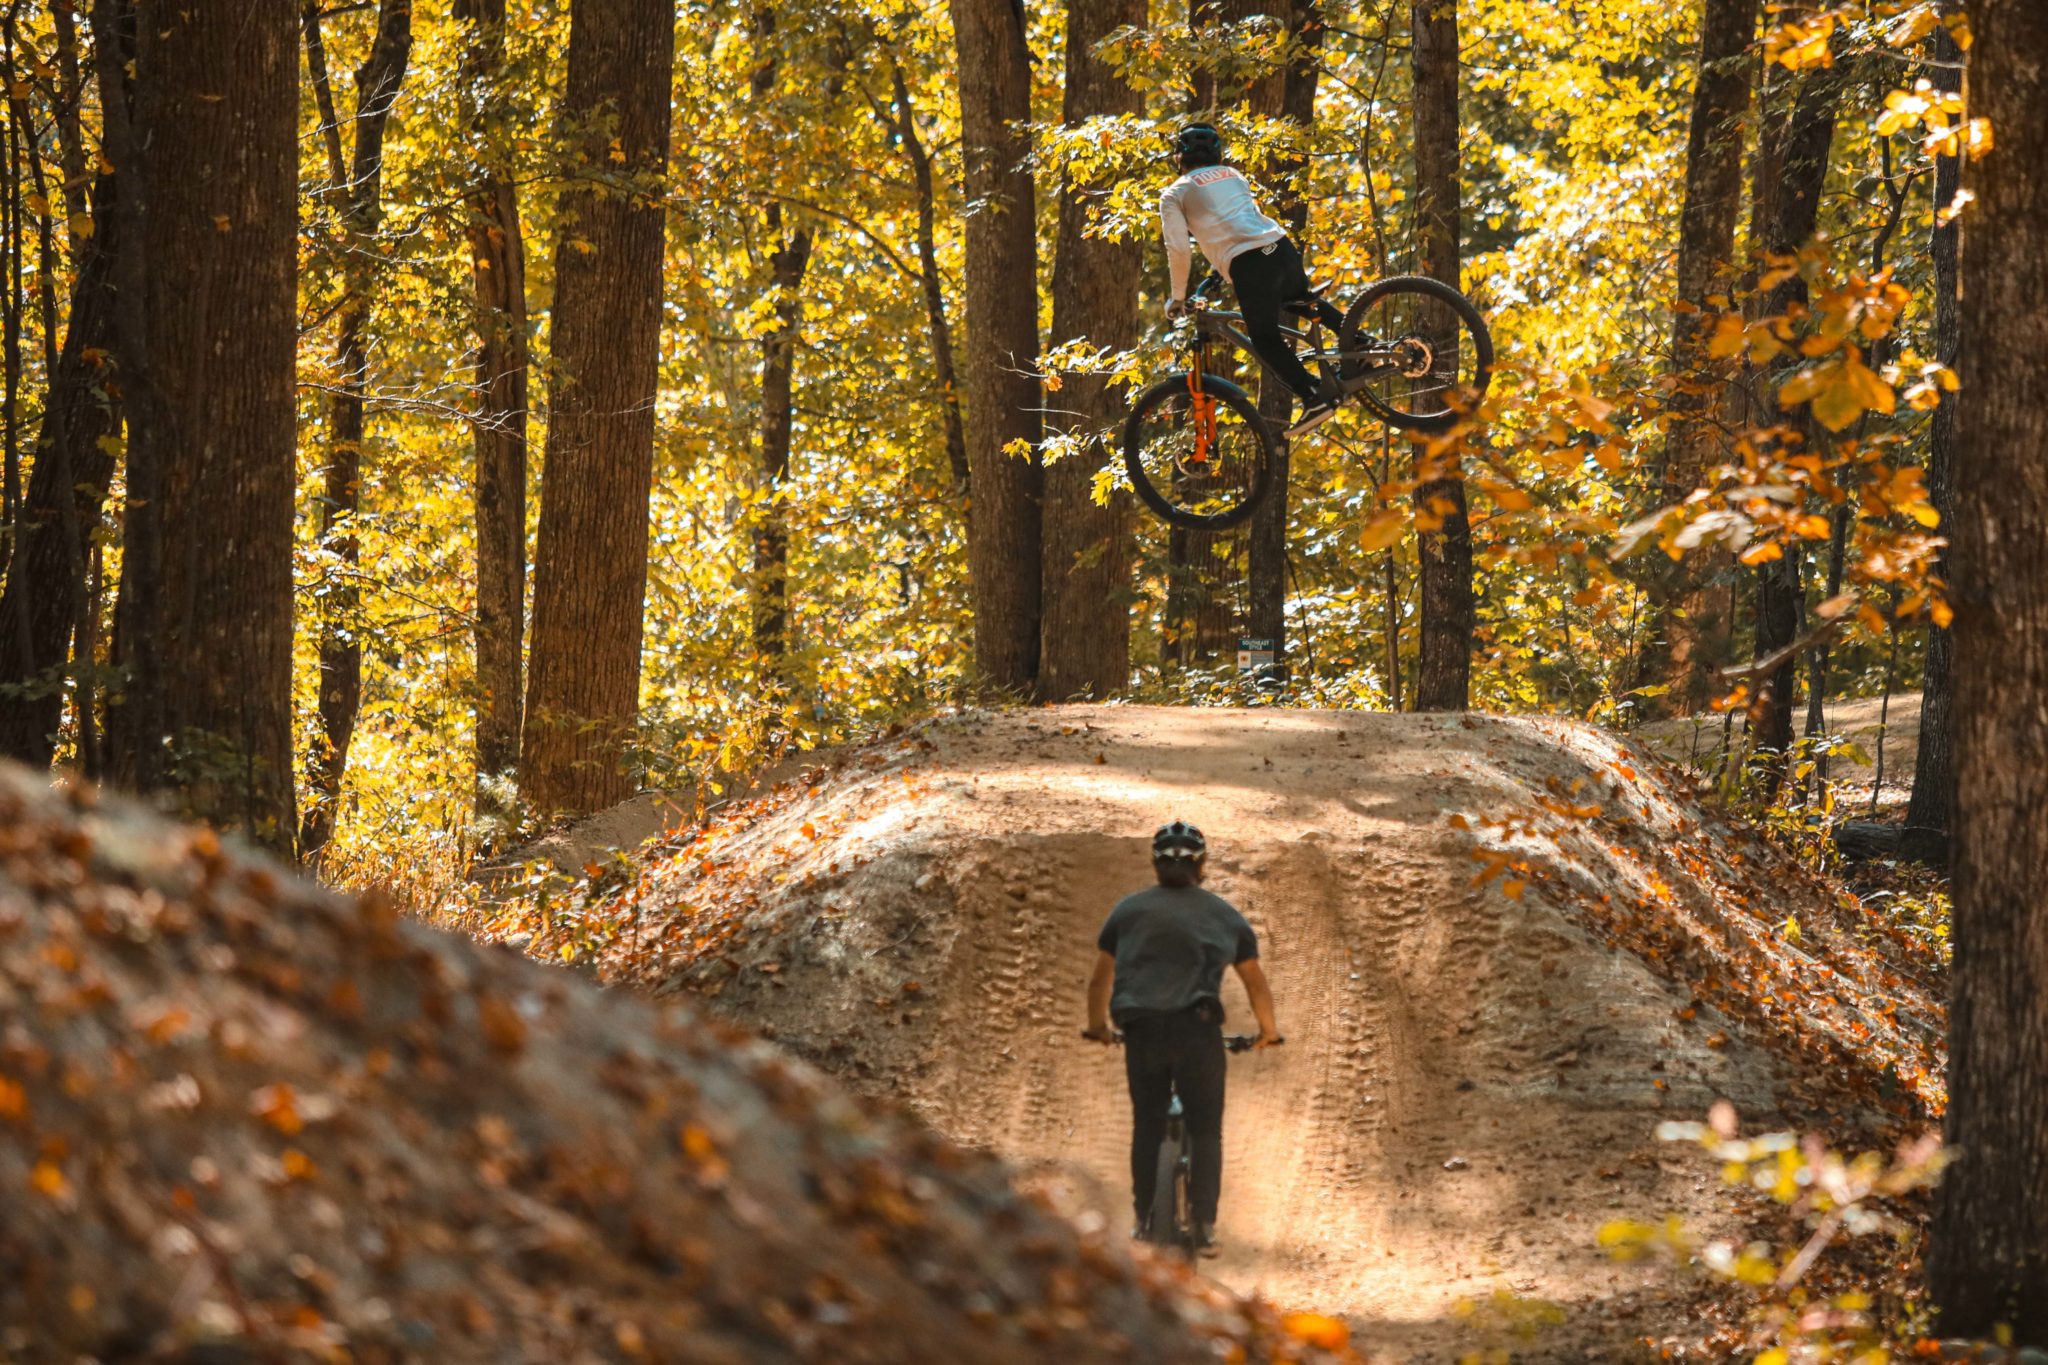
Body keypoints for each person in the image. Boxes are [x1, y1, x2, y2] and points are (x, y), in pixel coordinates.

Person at [1084, 820, 1280, 1256]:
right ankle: (1205, 1225)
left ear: (1156, 865)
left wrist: (1098, 1027)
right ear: (1202, 865)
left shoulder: (1127, 912)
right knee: (1206, 1127)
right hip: (1197, 1031)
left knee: (1147, 1124)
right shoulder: (1225, 915)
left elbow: (1100, 981)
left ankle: (1143, 1221)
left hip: (1141, 1031)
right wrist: (1267, 1032)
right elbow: (1254, 982)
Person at [1159, 123, 1347, 437]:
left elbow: (1179, 249)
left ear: (1179, 157)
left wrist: (1178, 297)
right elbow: (1237, 223)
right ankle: (1360, 341)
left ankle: (1313, 397)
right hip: (1282, 249)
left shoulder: (1174, 193)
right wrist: (1219, 270)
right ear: (1217, 154)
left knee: (1265, 339)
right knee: (1300, 300)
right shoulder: (1234, 175)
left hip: (1250, 265)